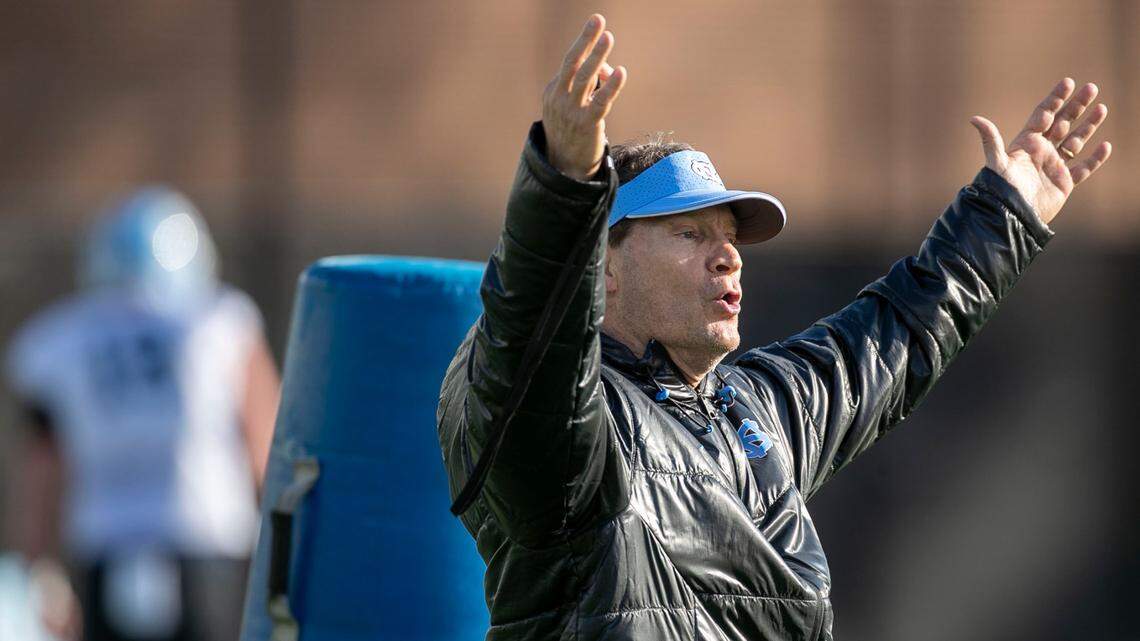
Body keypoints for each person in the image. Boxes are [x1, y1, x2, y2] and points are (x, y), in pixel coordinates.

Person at [436, 13, 1113, 641]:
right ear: (601, 265)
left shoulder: (755, 408)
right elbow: (530, 338)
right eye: (689, 231)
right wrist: (563, 186)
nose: (728, 253)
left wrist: (1006, 212)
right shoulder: (566, 432)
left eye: (730, 235)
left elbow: (897, 332)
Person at [4, 187, 280, 641]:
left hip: (103, 546)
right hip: (206, 541)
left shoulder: (57, 340)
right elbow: (266, 448)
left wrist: (39, 567)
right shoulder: (222, 323)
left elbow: (42, 471)